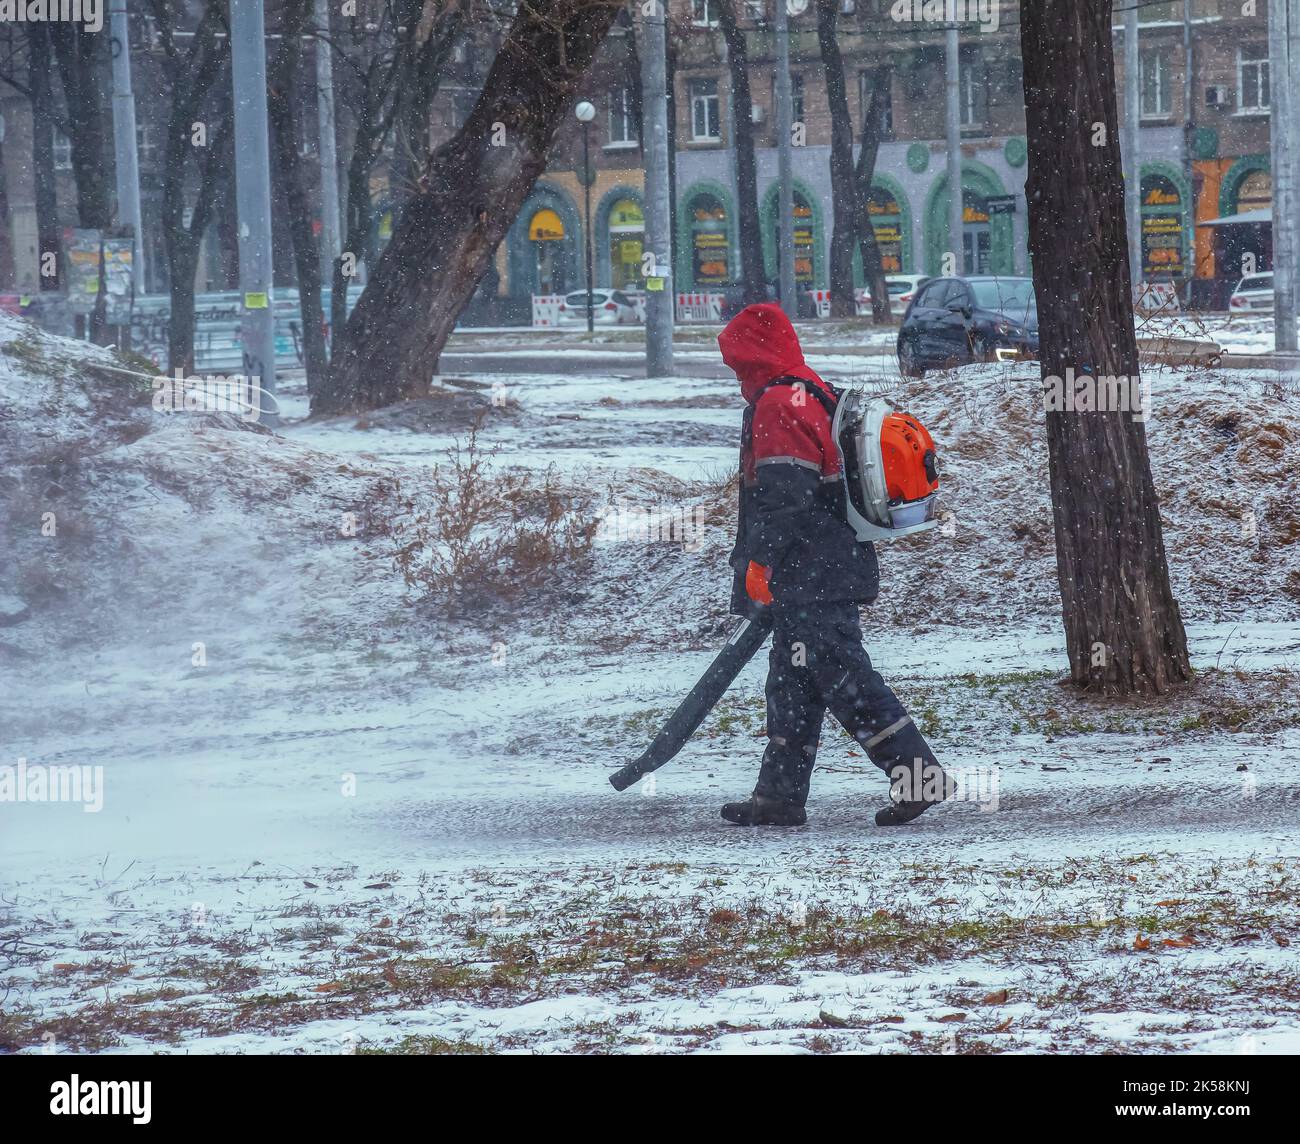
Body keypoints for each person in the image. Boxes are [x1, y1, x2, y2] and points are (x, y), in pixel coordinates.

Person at [716, 303, 952, 827]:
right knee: (793, 681)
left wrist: (761, 562)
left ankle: (919, 775)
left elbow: (785, 495)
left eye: (738, 365)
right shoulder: (809, 388)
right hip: (831, 564)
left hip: (810, 573)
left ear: (754, 357)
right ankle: (778, 797)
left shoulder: (780, 402)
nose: (736, 377)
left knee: (845, 679)